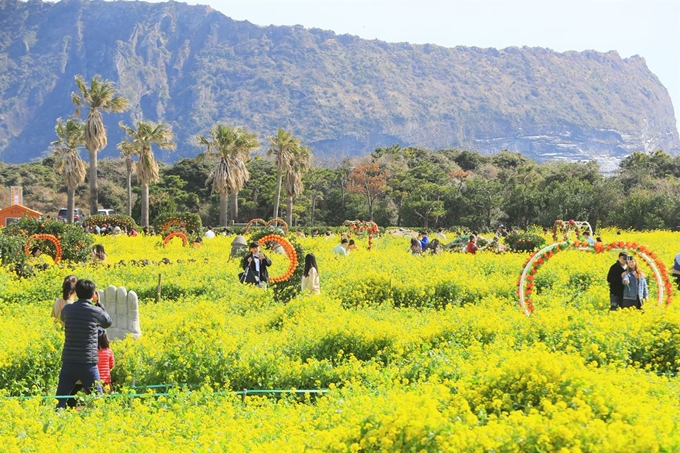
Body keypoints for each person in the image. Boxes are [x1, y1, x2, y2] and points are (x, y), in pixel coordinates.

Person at [55, 279, 113, 409]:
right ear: (93, 294)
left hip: (69, 361)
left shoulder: (67, 310)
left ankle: (55, 420)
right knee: (97, 398)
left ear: (76, 292)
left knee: (60, 399)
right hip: (88, 363)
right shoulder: (95, 311)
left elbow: (63, 317)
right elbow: (107, 322)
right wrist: (98, 303)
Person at [97, 329, 115, 393]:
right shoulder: (109, 351)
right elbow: (111, 364)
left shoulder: (93, 351)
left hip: (94, 380)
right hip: (106, 381)